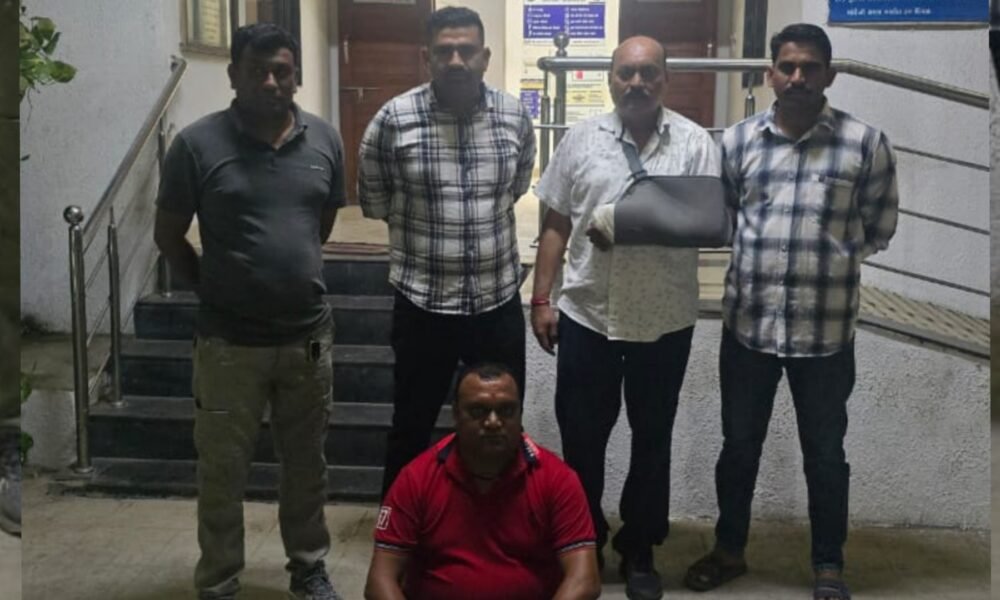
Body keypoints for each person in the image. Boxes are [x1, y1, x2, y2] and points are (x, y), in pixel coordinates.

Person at [683, 24, 898, 600]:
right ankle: (729, 550)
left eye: (810, 67)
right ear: (770, 74)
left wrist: (828, 258)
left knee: (825, 456)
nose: (798, 77)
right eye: (787, 66)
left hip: (825, 333)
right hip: (748, 329)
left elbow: (879, 226)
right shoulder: (738, 142)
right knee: (738, 448)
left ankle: (828, 564)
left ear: (830, 74)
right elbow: (726, 217)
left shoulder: (864, 144)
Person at [154, 23, 346, 600]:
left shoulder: (325, 141)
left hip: (306, 338)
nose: (270, 82)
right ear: (233, 74)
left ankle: (308, 567)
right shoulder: (196, 145)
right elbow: (168, 235)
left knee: (307, 463)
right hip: (228, 343)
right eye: (257, 71)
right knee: (222, 469)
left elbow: (321, 224)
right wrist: (213, 289)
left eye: (281, 71)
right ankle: (218, 579)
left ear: (296, 76)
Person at [531, 36, 721, 600]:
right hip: (587, 313)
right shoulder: (581, 139)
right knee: (581, 440)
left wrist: (624, 222)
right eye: (626, 74)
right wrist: (541, 299)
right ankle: (583, 541)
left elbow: (705, 225)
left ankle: (640, 547)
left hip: (663, 319)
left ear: (665, 79)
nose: (637, 83)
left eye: (648, 73)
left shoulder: (694, 143)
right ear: (611, 78)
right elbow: (555, 224)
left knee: (652, 439)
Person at [358, 6, 536, 497]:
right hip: (422, 303)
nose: (456, 60)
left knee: (502, 424)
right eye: (444, 51)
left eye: (467, 50)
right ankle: (401, 528)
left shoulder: (514, 116)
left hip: (496, 303)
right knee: (411, 425)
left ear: (485, 57)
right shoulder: (393, 120)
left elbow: (516, 186)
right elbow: (374, 201)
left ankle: (498, 522)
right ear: (426, 58)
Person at [364, 363, 601, 600]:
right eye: (478, 411)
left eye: (506, 410)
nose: (493, 422)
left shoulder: (558, 479)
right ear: (456, 414)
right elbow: (380, 581)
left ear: (520, 413)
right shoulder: (416, 478)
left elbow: (584, 580)